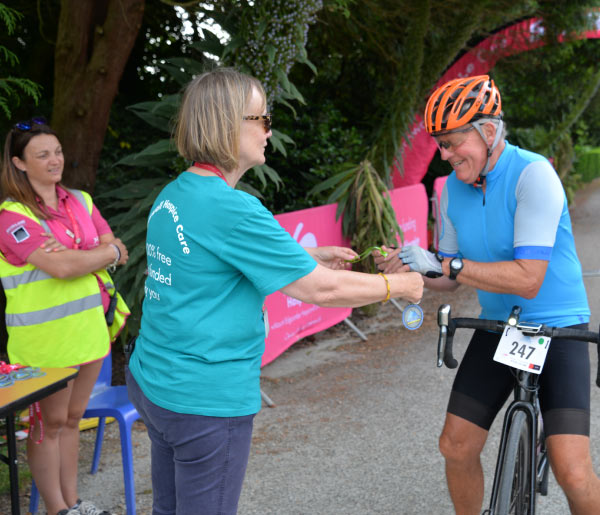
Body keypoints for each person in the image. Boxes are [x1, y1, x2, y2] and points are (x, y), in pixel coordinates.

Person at [125, 67, 423, 515]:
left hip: (154, 382)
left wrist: (306, 256)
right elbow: (323, 291)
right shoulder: (233, 207)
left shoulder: (177, 192)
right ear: (228, 125)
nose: (269, 130)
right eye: (261, 119)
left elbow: (208, 267)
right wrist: (400, 283)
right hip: (204, 401)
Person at [375, 74, 599, 514]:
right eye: (440, 144)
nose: (445, 154)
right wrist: (411, 269)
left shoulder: (533, 175)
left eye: (454, 142)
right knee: (455, 446)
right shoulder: (451, 188)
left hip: (558, 328)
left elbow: (528, 279)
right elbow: (450, 278)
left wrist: (447, 263)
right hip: (502, 328)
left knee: (572, 470)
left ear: (489, 132)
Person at [0, 118, 130, 515]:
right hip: (45, 341)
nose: (55, 160)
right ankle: (56, 509)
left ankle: (73, 504)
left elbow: (114, 248)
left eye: (57, 152)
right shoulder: (11, 216)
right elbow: (62, 267)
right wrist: (97, 255)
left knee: (73, 420)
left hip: (89, 332)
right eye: (42, 154)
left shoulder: (81, 201)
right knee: (47, 426)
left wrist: (91, 255)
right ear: (19, 163)